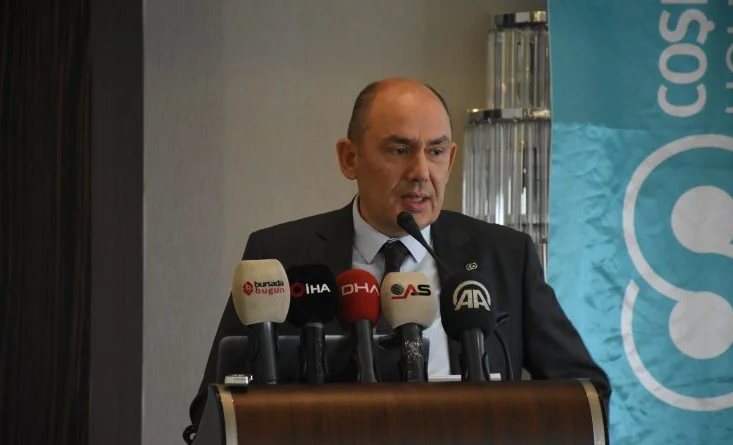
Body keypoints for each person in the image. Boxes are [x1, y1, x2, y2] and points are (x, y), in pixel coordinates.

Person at [188, 77, 611, 427]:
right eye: (399, 150)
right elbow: (215, 408)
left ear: (451, 159)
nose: (421, 172)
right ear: (349, 158)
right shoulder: (280, 256)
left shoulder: (505, 256)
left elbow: (586, 394)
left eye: (436, 151)